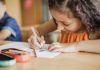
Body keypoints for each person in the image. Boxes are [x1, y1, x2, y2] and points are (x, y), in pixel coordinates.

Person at [28, 0, 100, 53]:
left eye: (66, 24)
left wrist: (75, 46)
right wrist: (34, 38)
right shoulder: (59, 21)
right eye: (55, 19)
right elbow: (34, 30)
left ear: (84, 17)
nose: (59, 28)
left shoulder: (96, 29)